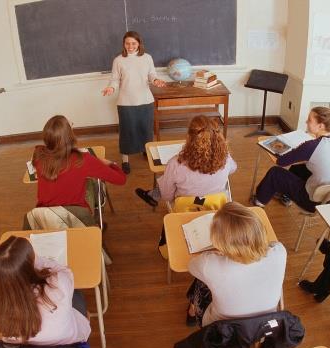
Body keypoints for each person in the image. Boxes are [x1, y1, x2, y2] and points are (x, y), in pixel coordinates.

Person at [186, 202, 287, 327]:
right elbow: (269, 245)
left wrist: (217, 255)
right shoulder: (280, 251)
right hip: (263, 325)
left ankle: (192, 311)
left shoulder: (209, 264)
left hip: (222, 329)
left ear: (219, 242)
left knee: (200, 280)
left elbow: (191, 266)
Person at [0, 236, 91, 346]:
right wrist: (37, 259)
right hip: (68, 342)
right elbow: (66, 272)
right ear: (30, 266)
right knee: (77, 294)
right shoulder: (56, 286)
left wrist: (8, 266)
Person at [26, 115, 126, 229]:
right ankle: (96, 222)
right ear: (69, 135)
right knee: (92, 184)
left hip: (44, 219)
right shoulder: (83, 159)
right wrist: (110, 163)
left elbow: (47, 153)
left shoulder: (39, 155)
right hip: (75, 219)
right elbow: (121, 179)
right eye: (71, 125)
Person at [253, 107, 330, 210]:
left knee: (275, 173)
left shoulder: (311, 146)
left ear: (320, 126)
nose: (306, 122)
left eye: (310, 120)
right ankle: (286, 195)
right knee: (300, 167)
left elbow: (281, 162)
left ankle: (259, 201)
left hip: (314, 202)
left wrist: (300, 150)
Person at [135, 115, 237, 207]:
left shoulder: (175, 163)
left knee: (168, 181)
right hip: (216, 208)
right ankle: (153, 194)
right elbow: (233, 168)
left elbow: (167, 196)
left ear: (189, 138)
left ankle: (152, 195)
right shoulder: (226, 158)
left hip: (184, 210)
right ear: (218, 138)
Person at [102, 31, 166, 174]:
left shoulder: (147, 58)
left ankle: (146, 151)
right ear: (123, 44)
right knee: (127, 132)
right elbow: (115, 79)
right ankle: (125, 161)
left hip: (145, 100)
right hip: (126, 103)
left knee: (146, 129)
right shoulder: (118, 60)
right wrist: (111, 88)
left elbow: (152, 75)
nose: (130, 46)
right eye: (127, 43)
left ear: (139, 44)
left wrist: (156, 81)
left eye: (133, 43)